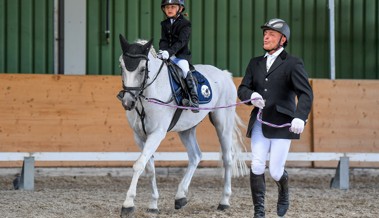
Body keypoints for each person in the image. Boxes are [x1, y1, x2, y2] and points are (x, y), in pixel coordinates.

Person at [237, 18, 313, 217]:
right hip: (260, 122)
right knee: (257, 164)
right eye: (265, 34)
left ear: (283, 39)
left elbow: (305, 93)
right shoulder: (255, 63)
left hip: (282, 124)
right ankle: (259, 212)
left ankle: (283, 190)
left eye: (271, 34)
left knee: (276, 172)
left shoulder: (292, 63)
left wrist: (300, 116)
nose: (266, 37)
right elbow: (243, 88)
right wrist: (251, 96)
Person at [158, 0, 199, 113]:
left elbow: (181, 42)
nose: (169, 9)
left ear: (180, 9)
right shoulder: (164, 24)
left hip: (181, 56)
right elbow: (164, 40)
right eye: (167, 7)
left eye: (172, 7)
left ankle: (194, 99)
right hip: (168, 55)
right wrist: (162, 51)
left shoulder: (185, 24)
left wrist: (169, 52)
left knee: (185, 70)